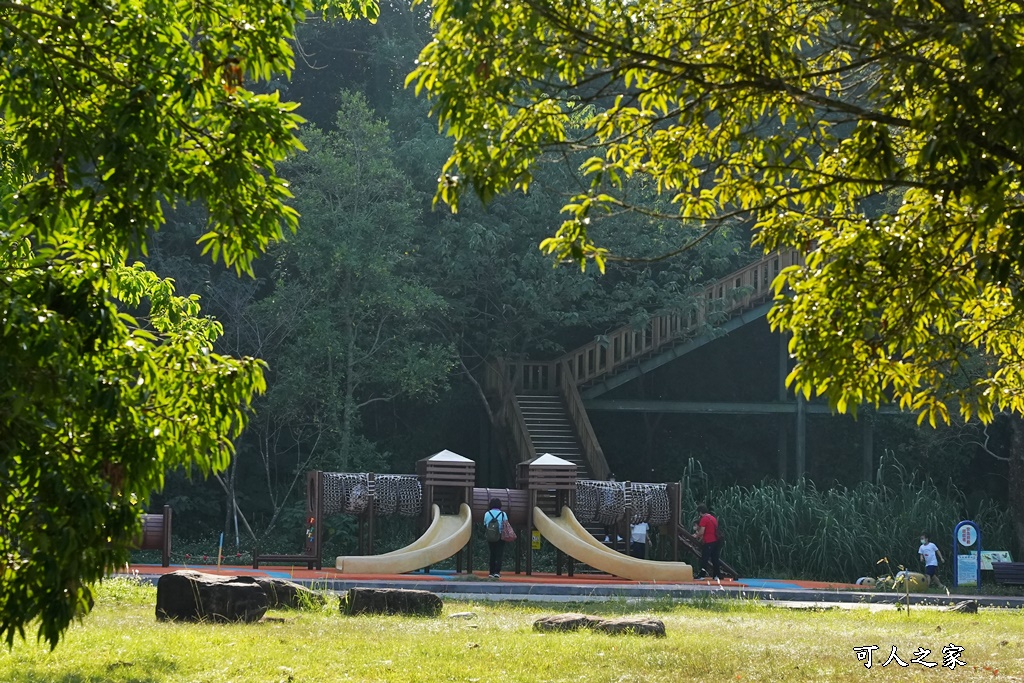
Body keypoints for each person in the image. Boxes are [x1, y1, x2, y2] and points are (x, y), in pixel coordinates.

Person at [483, 498, 508, 578]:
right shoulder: (503, 514)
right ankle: (497, 572)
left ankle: (491, 572)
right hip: (500, 536)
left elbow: (485, 524)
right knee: (499, 554)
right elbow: (506, 524)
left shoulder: (487, 514)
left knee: (492, 554)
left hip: (490, 536)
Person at [694, 503, 721, 580]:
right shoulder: (713, 518)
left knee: (705, 558)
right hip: (716, 541)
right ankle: (717, 575)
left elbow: (702, 532)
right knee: (715, 558)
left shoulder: (704, 519)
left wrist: (696, 536)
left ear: (700, 512)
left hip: (709, 541)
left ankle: (702, 575)